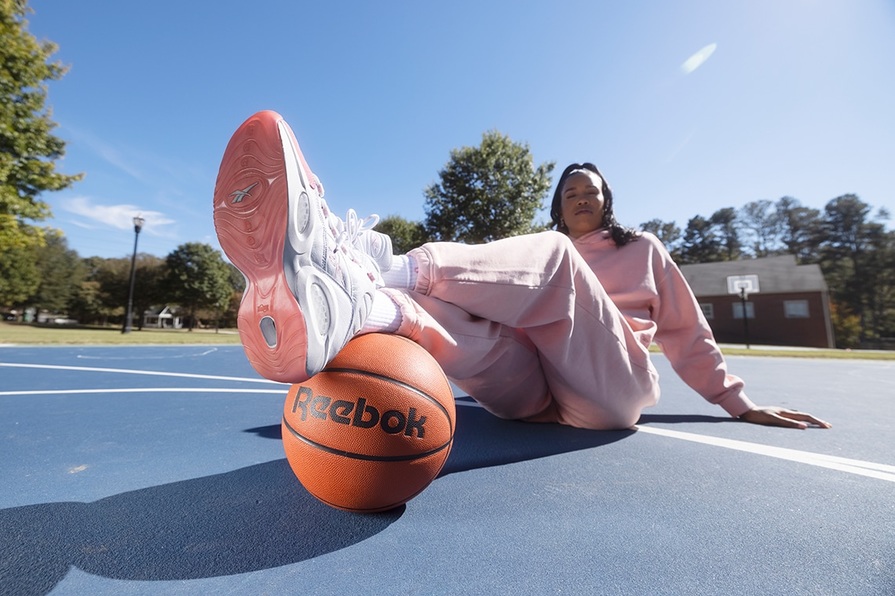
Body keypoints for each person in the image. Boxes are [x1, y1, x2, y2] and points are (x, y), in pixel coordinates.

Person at [213, 110, 830, 431]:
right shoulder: (533, 255)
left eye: (591, 192)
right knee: (455, 315)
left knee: (554, 260)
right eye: (571, 195)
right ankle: (362, 303)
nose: (582, 199)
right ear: (559, 206)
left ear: (608, 201)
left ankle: (390, 270)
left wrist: (739, 404)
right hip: (528, 398)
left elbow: (688, 335)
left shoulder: (641, 249)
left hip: (610, 390)